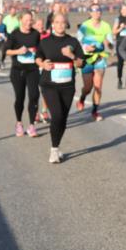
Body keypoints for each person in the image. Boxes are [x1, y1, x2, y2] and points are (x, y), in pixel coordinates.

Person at [35, 13, 85, 163]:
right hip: (49, 84)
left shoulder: (73, 41)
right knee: (56, 115)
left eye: (63, 22)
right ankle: (54, 150)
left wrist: (71, 56)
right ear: (52, 24)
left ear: (67, 24)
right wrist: (43, 64)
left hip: (68, 86)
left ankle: (57, 146)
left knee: (62, 118)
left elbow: (81, 63)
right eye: (57, 22)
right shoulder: (45, 41)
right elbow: (37, 57)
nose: (60, 25)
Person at [5, 11, 42, 138]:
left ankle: (32, 126)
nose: (28, 23)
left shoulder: (36, 34)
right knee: (19, 98)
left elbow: (40, 50)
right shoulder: (14, 34)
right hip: (18, 71)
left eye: (30, 20)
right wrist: (18, 51)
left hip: (33, 70)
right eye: (26, 20)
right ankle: (19, 123)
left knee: (34, 96)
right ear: (20, 20)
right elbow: (7, 51)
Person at [76, 4, 113, 122]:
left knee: (98, 87)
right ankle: (82, 98)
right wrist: (86, 47)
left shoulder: (106, 26)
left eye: (99, 10)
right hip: (87, 59)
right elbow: (77, 43)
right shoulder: (84, 26)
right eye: (94, 10)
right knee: (88, 87)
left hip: (100, 59)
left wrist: (108, 43)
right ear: (90, 13)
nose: (97, 12)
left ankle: (95, 111)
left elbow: (112, 46)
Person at [113, 4, 126, 89]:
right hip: (120, 43)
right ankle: (119, 79)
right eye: (124, 9)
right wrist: (120, 28)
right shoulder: (118, 19)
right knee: (120, 62)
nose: (125, 11)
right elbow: (114, 32)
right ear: (121, 10)